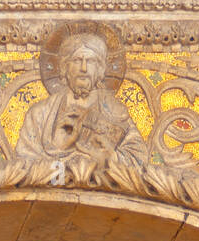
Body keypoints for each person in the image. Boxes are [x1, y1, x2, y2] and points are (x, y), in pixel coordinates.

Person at [17, 32, 148, 167]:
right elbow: (22, 165)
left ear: (100, 70)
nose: (83, 68)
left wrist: (111, 158)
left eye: (90, 61)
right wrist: (57, 148)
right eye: (77, 60)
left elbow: (139, 160)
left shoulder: (116, 112)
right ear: (64, 67)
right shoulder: (40, 114)